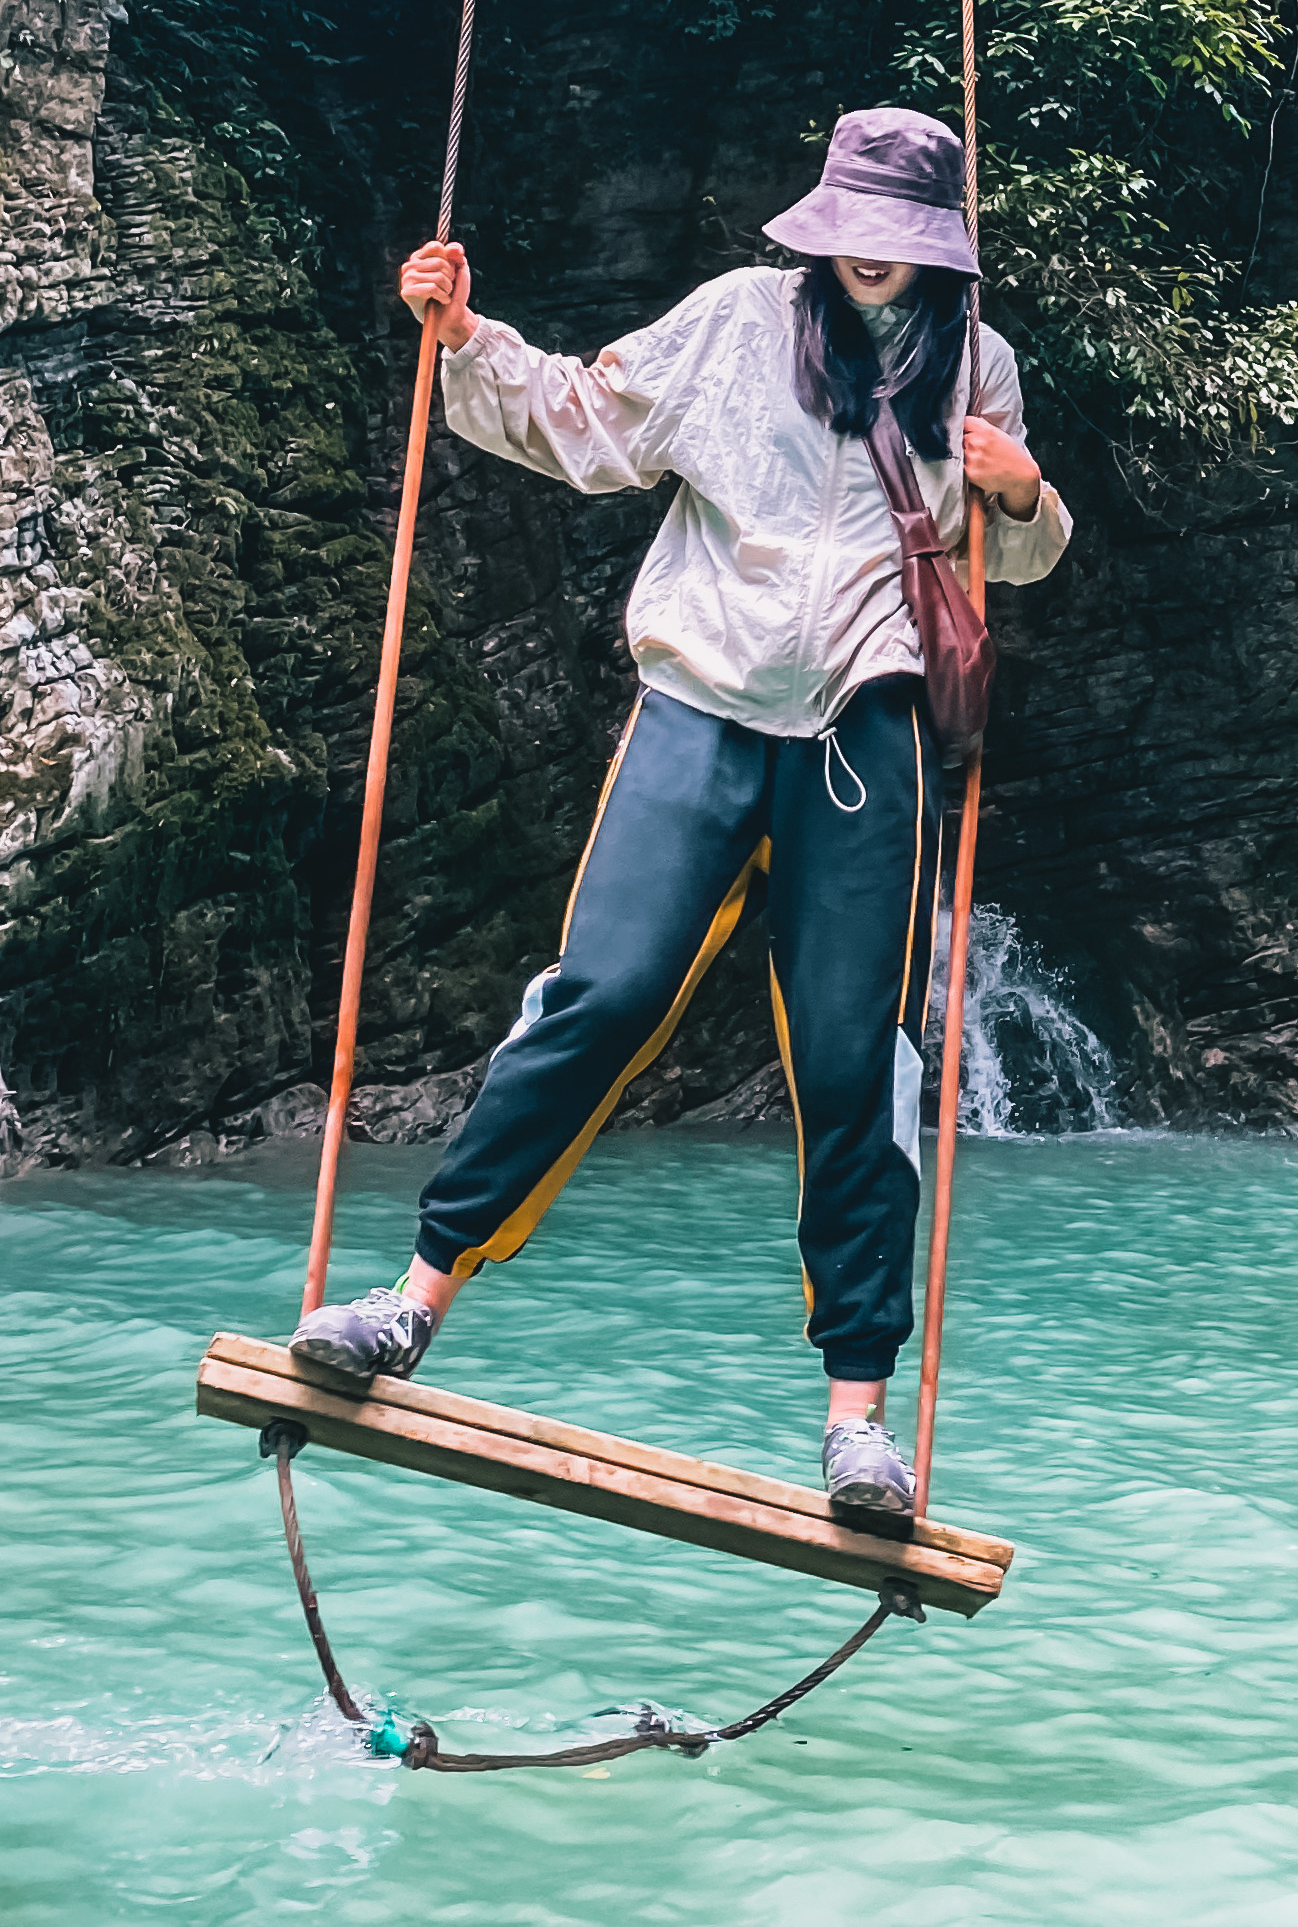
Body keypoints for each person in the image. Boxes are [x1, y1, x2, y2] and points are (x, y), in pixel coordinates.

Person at [288, 107, 1070, 1534]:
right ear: (822, 223)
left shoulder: (979, 361)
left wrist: (1023, 493)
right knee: (599, 996)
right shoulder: (733, 321)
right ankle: (409, 1304)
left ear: (935, 246)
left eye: (898, 239)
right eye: (852, 233)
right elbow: (589, 424)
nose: (870, 261)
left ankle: (857, 1425)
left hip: (866, 733)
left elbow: (1008, 545)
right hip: (699, 707)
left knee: (857, 1069)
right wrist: (468, 338)